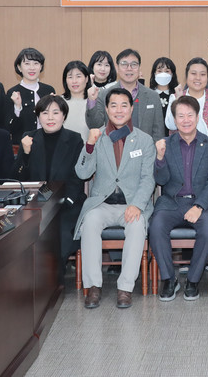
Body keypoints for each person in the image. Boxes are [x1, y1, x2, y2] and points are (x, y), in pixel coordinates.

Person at [74, 88, 156, 309]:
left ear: (131, 108)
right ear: (107, 109)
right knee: (90, 221)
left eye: (124, 105)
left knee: (136, 225)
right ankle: (93, 286)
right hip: (102, 203)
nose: (119, 110)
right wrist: (89, 146)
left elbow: (148, 179)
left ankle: (125, 288)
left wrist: (137, 205)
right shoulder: (98, 136)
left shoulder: (144, 140)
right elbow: (82, 173)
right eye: (113, 105)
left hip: (131, 203)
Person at [150, 96, 208, 302]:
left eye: (190, 115)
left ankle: (193, 280)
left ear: (198, 117)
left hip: (201, 203)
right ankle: (169, 279)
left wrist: (199, 206)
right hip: (171, 202)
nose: (186, 120)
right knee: (156, 226)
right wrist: (160, 158)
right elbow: (161, 180)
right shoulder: (166, 144)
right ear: (174, 120)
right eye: (180, 116)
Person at [13, 95, 86, 277]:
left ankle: (55, 278)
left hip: (66, 201)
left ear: (64, 116)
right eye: (45, 113)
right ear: (38, 116)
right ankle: (33, 278)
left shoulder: (74, 139)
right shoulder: (29, 138)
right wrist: (26, 154)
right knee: (25, 232)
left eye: (56, 112)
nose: (50, 117)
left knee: (61, 232)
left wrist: (66, 201)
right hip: (34, 203)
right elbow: (18, 178)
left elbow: (77, 177)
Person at [85, 48, 165, 142]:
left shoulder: (153, 96)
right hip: (114, 148)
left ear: (139, 67)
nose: (129, 68)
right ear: (117, 68)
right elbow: (94, 124)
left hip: (145, 149)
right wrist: (91, 101)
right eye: (124, 64)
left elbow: (158, 132)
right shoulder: (104, 94)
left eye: (134, 64)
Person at [165, 58, 208, 143]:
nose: (198, 78)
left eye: (202, 74)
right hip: (180, 148)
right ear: (186, 76)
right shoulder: (176, 97)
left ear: (207, 78)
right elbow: (171, 126)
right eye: (193, 73)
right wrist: (178, 100)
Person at [6, 48, 55, 145]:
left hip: (47, 144)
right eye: (27, 64)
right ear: (19, 67)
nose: (32, 68)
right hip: (22, 146)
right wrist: (17, 108)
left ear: (41, 67)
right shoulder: (12, 93)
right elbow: (10, 128)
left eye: (36, 63)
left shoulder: (49, 90)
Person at [61, 60, 91, 142]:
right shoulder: (59, 102)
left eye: (78, 76)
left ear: (86, 79)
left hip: (88, 149)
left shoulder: (93, 102)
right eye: (70, 77)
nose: (74, 81)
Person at [148, 57, 178, 135]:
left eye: (167, 71)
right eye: (159, 71)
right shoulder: (148, 94)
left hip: (173, 136)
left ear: (172, 74)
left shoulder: (176, 95)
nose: (163, 74)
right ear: (154, 73)